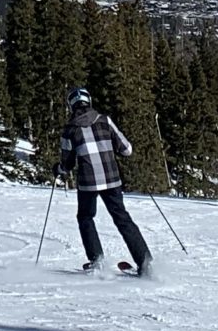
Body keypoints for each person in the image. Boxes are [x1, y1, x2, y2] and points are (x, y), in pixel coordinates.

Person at [59, 87, 151, 275]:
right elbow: (127, 149)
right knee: (122, 218)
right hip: (112, 180)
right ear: (89, 101)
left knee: (85, 217)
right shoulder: (105, 120)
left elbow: (66, 164)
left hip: (88, 182)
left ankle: (97, 260)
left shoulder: (69, 130)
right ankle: (145, 262)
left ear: (71, 106)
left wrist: (58, 169)